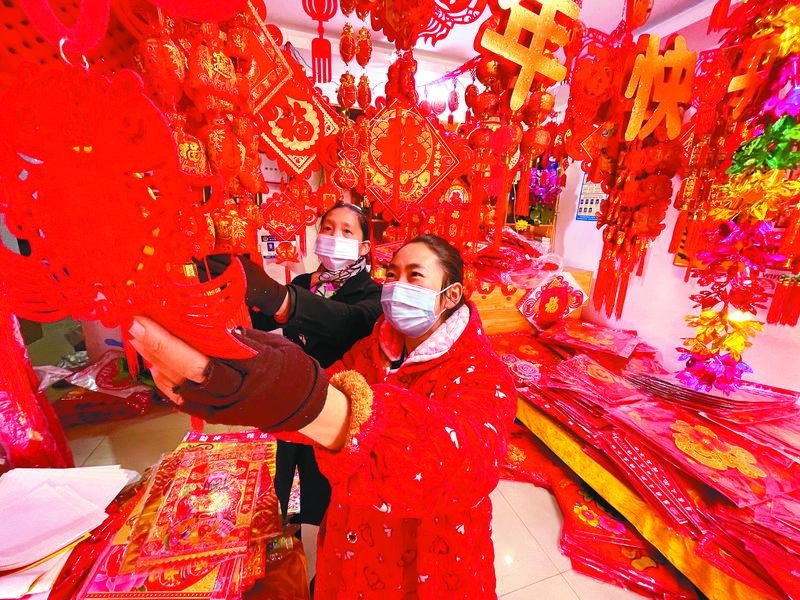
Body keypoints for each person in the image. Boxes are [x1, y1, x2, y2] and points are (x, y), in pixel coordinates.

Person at [130, 234, 517, 599]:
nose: (398, 287)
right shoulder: (373, 349)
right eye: (392, 274)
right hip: (354, 539)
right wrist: (261, 395)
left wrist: (306, 397)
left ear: (451, 295)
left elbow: (466, 460)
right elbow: (319, 404)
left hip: (432, 556)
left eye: (414, 276)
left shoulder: (483, 372)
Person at [202, 202, 382, 565]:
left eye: (347, 231)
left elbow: (344, 322)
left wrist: (282, 300)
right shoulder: (304, 284)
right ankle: (279, 552)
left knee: (324, 492)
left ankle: (322, 563)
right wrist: (231, 294)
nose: (334, 236)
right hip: (290, 402)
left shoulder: (372, 295)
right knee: (279, 480)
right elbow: (261, 325)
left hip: (334, 412)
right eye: (328, 228)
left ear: (364, 247)